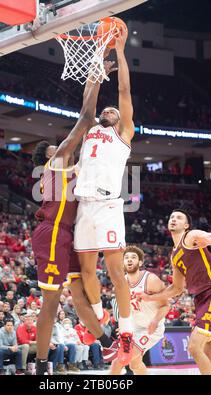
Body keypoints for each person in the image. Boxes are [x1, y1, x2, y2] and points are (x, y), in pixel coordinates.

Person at [32, 59, 117, 375]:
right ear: (48, 157)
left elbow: (90, 124)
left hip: (67, 234)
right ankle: (41, 366)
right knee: (51, 303)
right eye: (56, 147)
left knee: (79, 293)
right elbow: (84, 118)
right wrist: (95, 75)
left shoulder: (69, 169)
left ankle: (107, 342)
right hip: (52, 232)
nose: (61, 147)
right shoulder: (53, 168)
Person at [73, 28, 135, 364]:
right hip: (85, 207)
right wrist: (97, 61)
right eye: (106, 110)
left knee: (115, 273)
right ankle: (100, 315)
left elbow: (124, 90)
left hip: (109, 205)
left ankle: (126, 332)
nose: (108, 111)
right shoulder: (90, 128)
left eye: (113, 111)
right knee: (86, 272)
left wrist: (120, 52)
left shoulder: (123, 132)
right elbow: (88, 102)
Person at [141, 209, 211, 375]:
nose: (174, 219)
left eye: (179, 217)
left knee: (194, 347)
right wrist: (149, 297)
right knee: (210, 351)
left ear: (186, 225)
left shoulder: (191, 236)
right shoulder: (174, 256)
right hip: (201, 299)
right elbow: (176, 288)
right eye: (171, 217)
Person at [110, 245, 169, 374]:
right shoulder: (120, 283)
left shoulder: (151, 280)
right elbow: (121, 309)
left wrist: (155, 321)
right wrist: (124, 326)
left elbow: (166, 305)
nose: (129, 260)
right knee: (134, 364)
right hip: (133, 327)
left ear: (140, 262)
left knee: (118, 361)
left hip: (151, 329)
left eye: (133, 257)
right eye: (126, 258)